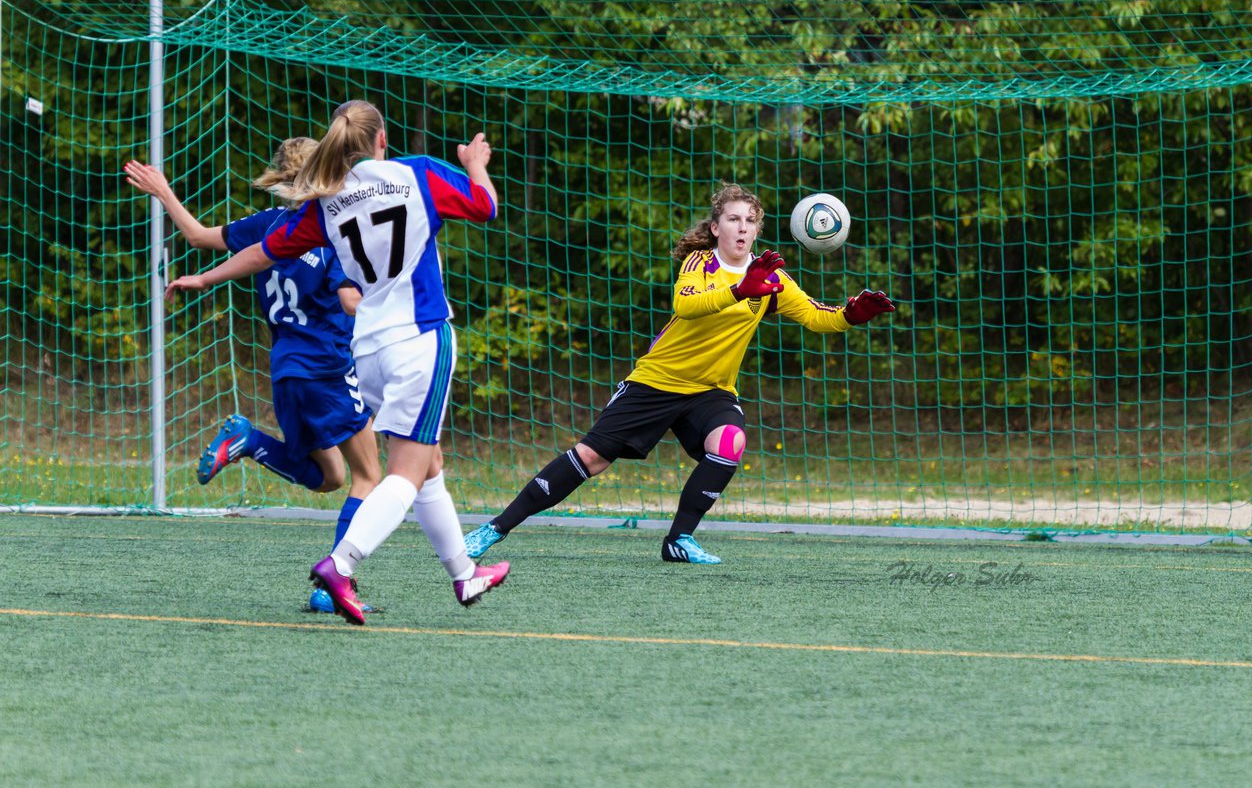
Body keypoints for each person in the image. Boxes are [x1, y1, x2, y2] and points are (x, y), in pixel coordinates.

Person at [164, 100, 509, 625]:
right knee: (404, 473)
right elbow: (485, 207)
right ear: (382, 139)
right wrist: (475, 162)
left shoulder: (323, 204)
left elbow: (265, 251)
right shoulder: (417, 174)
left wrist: (204, 278)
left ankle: (464, 573)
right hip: (418, 337)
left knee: (428, 461)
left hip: (364, 350)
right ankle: (341, 565)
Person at [464, 182, 895, 564]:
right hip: (657, 381)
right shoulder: (700, 263)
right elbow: (686, 306)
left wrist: (852, 314)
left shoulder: (771, 277)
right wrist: (739, 290)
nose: (742, 228)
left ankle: (679, 540)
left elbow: (820, 317)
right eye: (733, 219)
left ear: (758, 230)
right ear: (716, 228)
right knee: (592, 458)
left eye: (750, 221)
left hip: (710, 392)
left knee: (730, 440)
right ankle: (496, 527)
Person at [125, 142, 382, 614]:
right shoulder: (332, 231)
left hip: (284, 368)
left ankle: (249, 441)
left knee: (331, 477)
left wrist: (164, 192)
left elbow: (200, 237)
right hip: (327, 365)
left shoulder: (268, 225)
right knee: (369, 475)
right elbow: (349, 302)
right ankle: (334, 584)